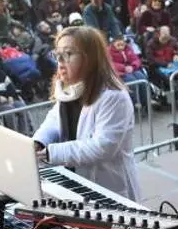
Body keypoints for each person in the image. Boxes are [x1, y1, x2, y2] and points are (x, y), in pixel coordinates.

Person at [32, 26, 141, 201]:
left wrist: (51, 153)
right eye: (57, 54)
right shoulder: (68, 87)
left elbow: (102, 147)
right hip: (76, 183)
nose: (60, 61)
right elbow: (55, 119)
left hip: (109, 189)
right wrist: (39, 141)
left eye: (68, 54)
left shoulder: (114, 96)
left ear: (89, 58)